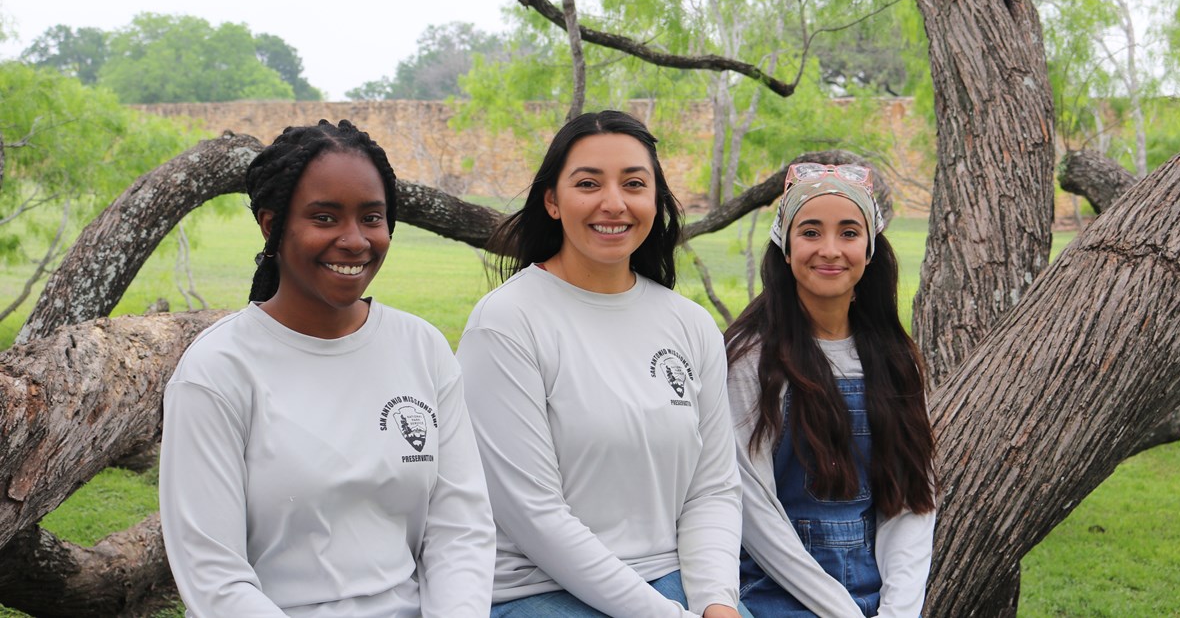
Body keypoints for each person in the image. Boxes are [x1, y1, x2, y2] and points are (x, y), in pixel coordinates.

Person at [160, 120, 495, 617]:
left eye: (372, 217)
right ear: (272, 225)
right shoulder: (217, 371)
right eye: (324, 217)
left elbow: (460, 529)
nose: (355, 240)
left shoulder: (421, 347)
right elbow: (214, 577)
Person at [457, 109, 750, 618]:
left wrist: (718, 604)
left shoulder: (691, 325)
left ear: (655, 201)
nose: (613, 203)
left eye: (634, 184)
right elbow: (535, 516)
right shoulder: (506, 323)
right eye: (588, 183)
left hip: (678, 582)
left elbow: (714, 489)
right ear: (552, 201)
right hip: (540, 592)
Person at [724, 162, 936, 618]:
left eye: (848, 233)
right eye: (811, 232)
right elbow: (751, 507)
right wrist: (838, 609)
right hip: (769, 592)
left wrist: (897, 612)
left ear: (870, 247)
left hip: (874, 597)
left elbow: (911, 502)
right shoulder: (752, 358)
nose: (830, 250)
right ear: (786, 246)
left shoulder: (894, 360)